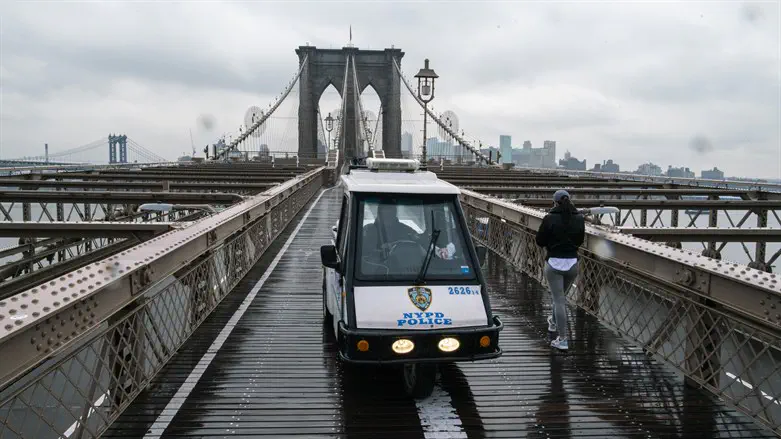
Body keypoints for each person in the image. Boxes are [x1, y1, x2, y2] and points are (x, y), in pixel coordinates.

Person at [535, 189, 585, 351]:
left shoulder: (549, 218)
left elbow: (540, 241)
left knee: (559, 300)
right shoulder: (579, 218)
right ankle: (553, 323)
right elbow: (579, 240)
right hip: (572, 264)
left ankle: (562, 339)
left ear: (555, 202)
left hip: (554, 263)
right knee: (561, 298)